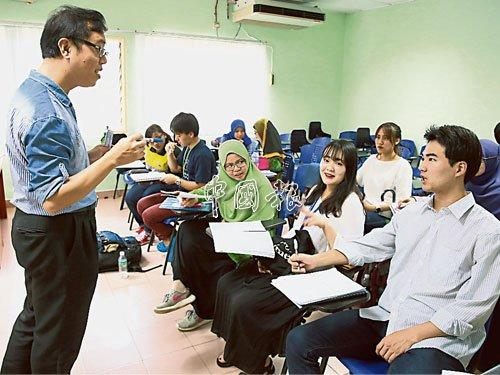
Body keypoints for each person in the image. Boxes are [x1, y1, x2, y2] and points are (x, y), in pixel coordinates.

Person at [286, 125, 500, 374]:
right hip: (386, 317)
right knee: (299, 340)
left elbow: (474, 307)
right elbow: (370, 245)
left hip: (436, 338)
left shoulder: (487, 230)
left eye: (432, 159)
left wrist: (412, 334)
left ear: (459, 168)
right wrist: (317, 260)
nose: (422, 167)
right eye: (423, 158)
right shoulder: (411, 214)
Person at [1, 6, 146, 374]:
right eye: (98, 48)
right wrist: (112, 159)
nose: (103, 60)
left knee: (37, 319)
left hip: (37, 230)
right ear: (66, 47)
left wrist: (92, 154)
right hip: (58, 233)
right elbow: (53, 196)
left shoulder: (36, 92)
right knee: (59, 336)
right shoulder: (47, 110)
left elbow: (48, 170)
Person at [211, 140, 365, 374]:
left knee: (246, 302)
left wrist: (326, 226)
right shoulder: (317, 191)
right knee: (228, 282)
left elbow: (350, 260)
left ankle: (258, 362)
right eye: (326, 160)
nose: (329, 167)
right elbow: (294, 233)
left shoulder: (351, 203)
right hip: (291, 259)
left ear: (350, 168)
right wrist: (271, 255)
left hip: (315, 272)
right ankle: (237, 348)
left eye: (338, 163)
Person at [153, 139, 277, 331]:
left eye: (240, 162)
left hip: (246, 243)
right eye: (229, 165)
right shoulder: (223, 180)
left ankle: (202, 310)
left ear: (247, 160)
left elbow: (267, 223)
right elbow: (206, 190)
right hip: (225, 233)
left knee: (199, 254)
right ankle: (180, 286)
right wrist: (192, 198)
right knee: (187, 230)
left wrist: (234, 230)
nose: (235, 169)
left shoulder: (261, 184)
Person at [134, 112, 216, 249]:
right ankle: (170, 238)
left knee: (149, 216)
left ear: (190, 134)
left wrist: (177, 181)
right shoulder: (188, 148)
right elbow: (175, 168)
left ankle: (173, 240)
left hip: (193, 200)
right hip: (181, 194)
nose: (176, 138)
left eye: (179, 135)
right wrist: (170, 153)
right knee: (142, 204)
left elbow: (201, 186)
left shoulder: (202, 154)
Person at [124, 124, 177, 243]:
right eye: (152, 141)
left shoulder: (172, 147)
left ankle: (149, 231)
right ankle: (143, 225)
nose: (156, 144)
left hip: (167, 182)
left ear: (164, 135)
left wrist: (169, 153)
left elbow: (174, 170)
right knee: (130, 197)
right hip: (151, 178)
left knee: (146, 197)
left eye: (158, 139)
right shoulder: (150, 148)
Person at [357, 122, 412, 232]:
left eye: (385, 138)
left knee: (354, 222)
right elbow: (356, 181)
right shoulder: (371, 160)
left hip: (384, 215)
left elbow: (403, 202)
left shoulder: (402, 166)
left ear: (397, 140)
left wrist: (373, 208)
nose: (380, 142)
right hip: (364, 208)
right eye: (378, 137)